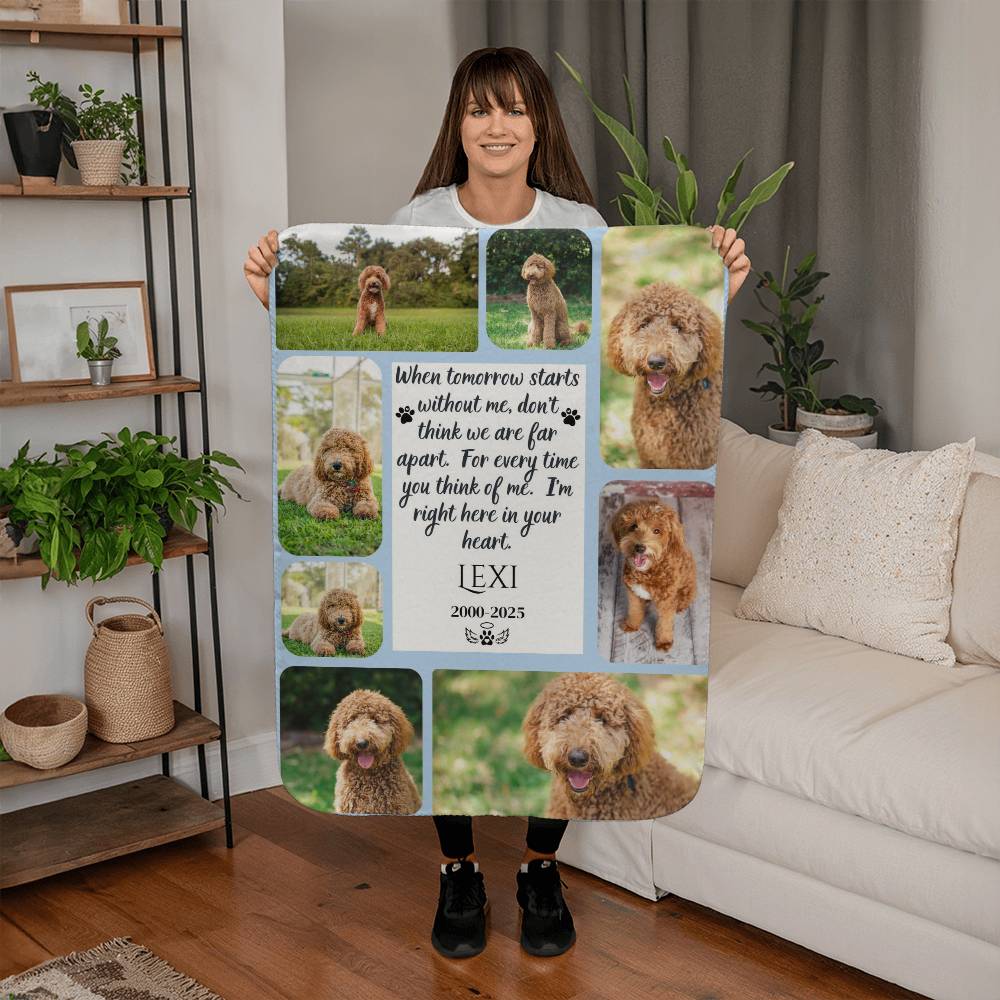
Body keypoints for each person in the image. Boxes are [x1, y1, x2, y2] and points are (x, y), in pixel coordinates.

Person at [243, 46, 750, 961]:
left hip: (544, 492)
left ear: (538, 124)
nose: (497, 125)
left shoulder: (581, 223)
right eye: (480, 109)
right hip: (448, 490)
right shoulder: (417, 221)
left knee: (551, 662)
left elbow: (624, 337)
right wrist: (271, 292)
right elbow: (389, 356)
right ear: (460, 124)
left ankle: (541, 866)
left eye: (515, 108)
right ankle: (459, 870)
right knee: (433, 654)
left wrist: (719, 280)